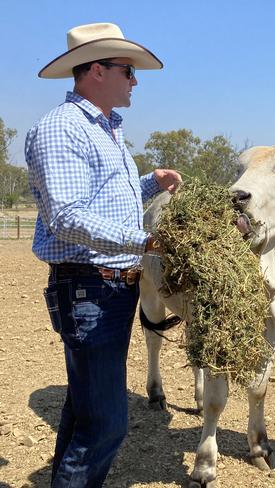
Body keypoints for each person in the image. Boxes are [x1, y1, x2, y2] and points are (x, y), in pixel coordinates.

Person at [25, 23, 182, 487]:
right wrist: (148, 242)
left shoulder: (105, 129)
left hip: (108, 287)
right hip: (89, 287)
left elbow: (101, 202)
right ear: (96, 71)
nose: (135, 81)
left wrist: (149, 182)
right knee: (105, 425)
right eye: (128, 71)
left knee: (84, 412)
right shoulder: (61, 129)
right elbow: (68, 216)